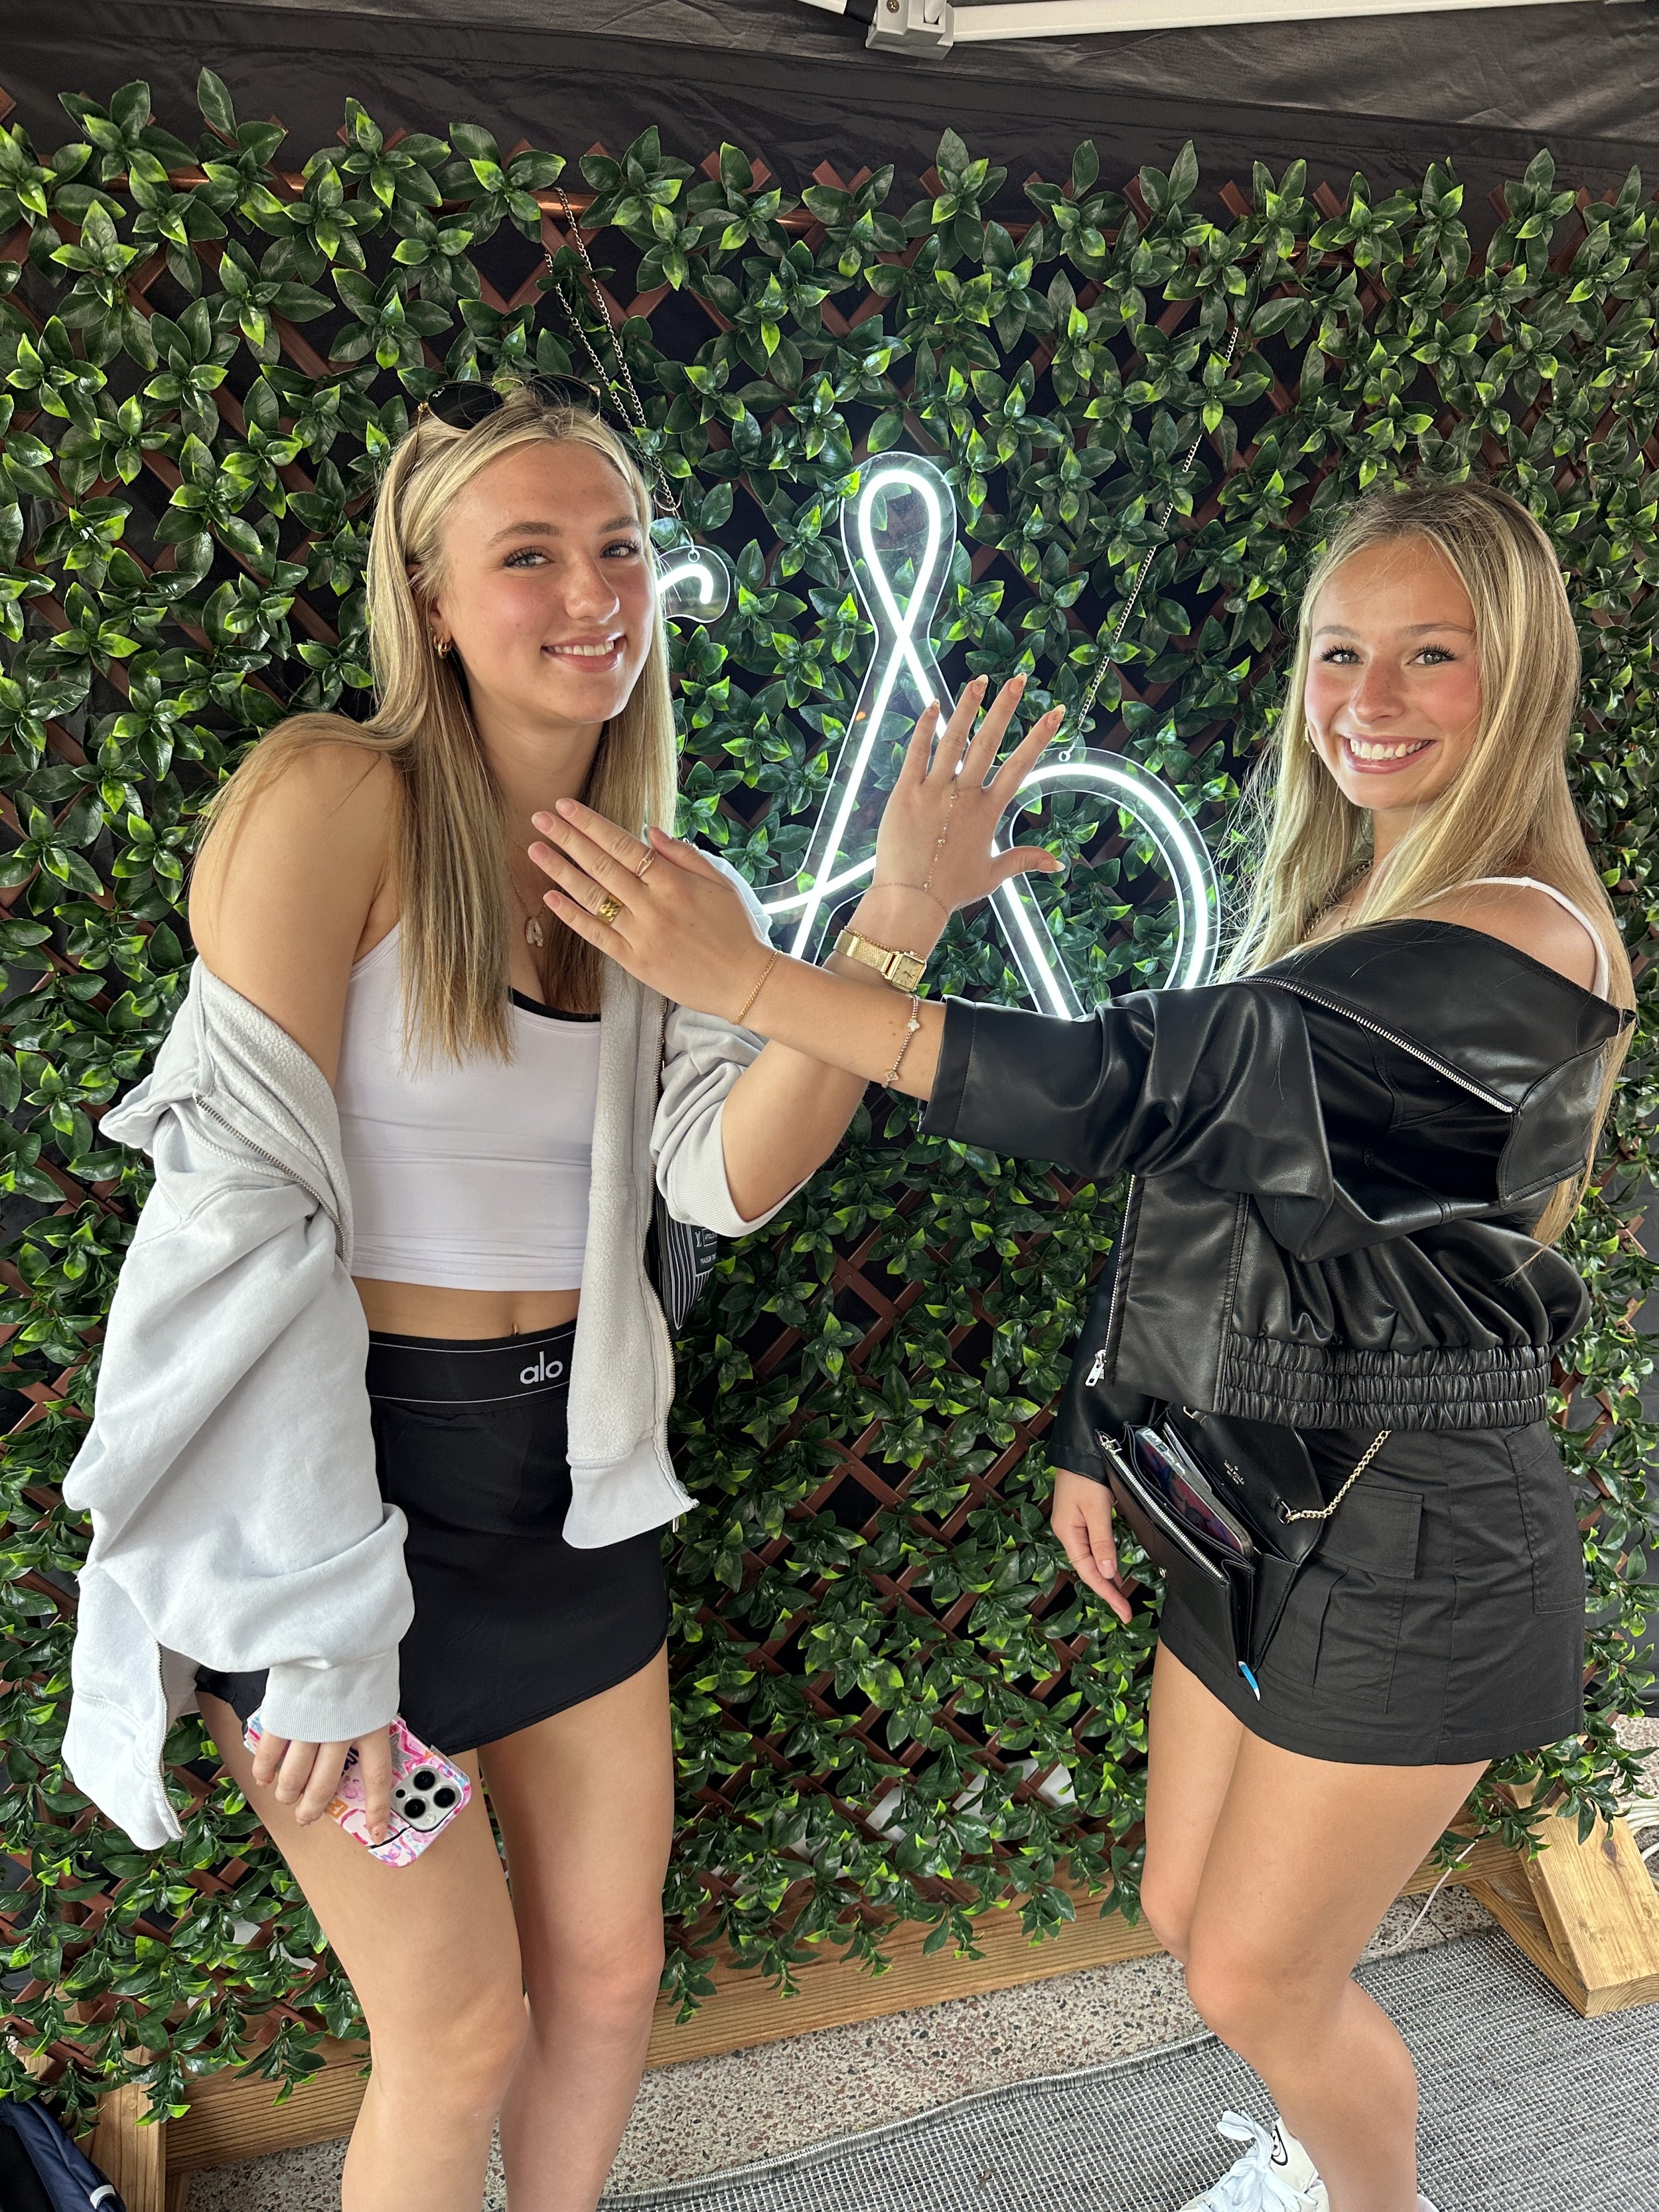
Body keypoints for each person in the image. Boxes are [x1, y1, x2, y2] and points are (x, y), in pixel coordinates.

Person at [526, 480, 1633, 2212]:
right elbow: (1194, 1185)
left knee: (1253, 1977)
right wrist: (1098, 1424)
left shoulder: (1508, 939)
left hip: (1421, 1537)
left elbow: (1116, 1092)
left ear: (1523, 678)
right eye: (1339, 654)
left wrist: (746, 978)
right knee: (1198, 1919)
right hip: (1250, 1491)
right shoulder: (1354, 904)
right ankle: (1314, 2147)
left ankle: (1376, 2202)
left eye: (1432, 657)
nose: (1368, 699)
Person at [58, 382, 1064, 2212]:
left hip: (570, 1489)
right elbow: (239, 1231)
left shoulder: (663, 885)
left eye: (615, 547)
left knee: (606, 1978)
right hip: (339, 1507)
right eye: (528, 553)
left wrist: (876, 932)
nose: (591, 589)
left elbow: (723, 1179)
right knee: (454, 2037)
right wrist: (320, 1628)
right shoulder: (330, 798)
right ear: (430, 599)